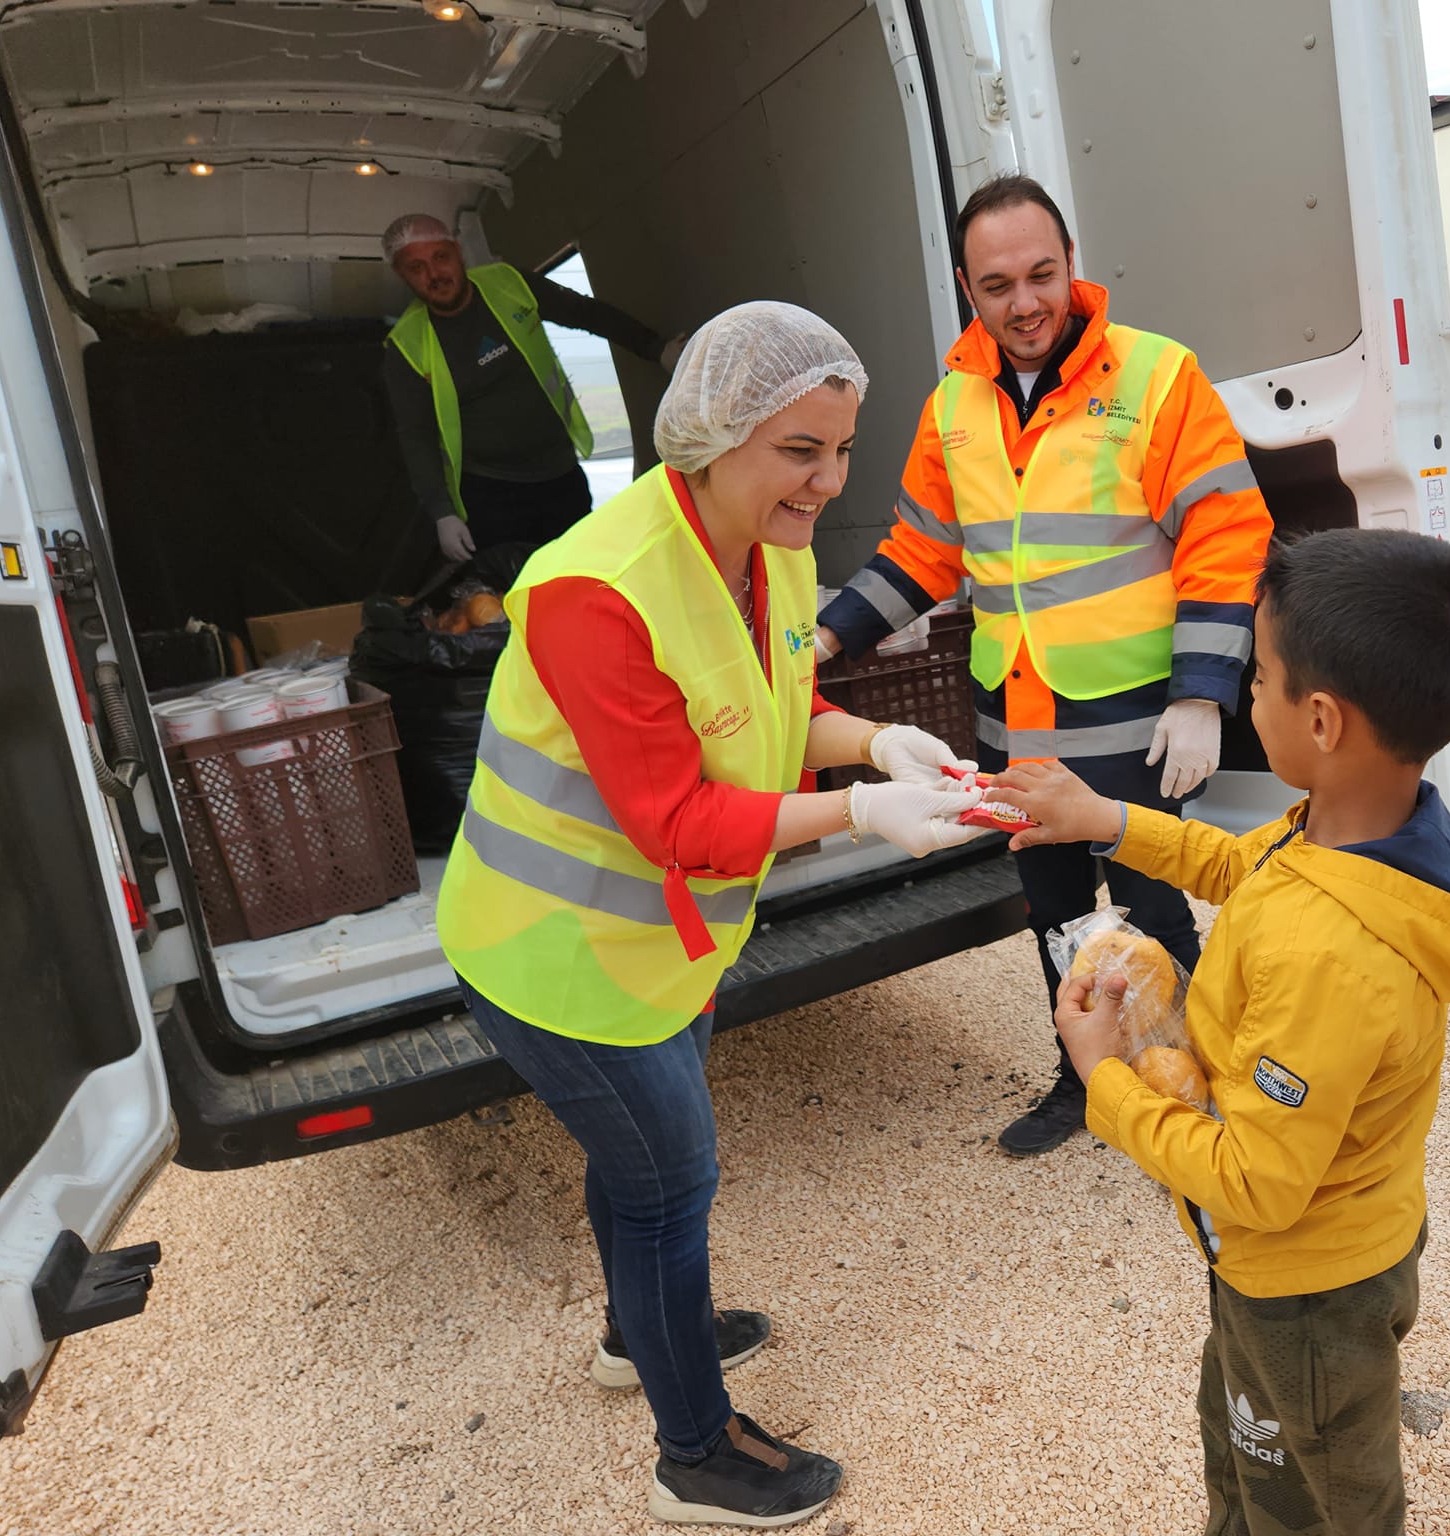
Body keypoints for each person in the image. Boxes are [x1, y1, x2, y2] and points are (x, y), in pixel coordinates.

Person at [434, 302, 985, 1528]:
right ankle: (695, 1451)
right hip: (552, 953)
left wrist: (874, 741)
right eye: (801, 451)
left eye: (841, 450)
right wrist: (855, 818)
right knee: (670, 1182)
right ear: (712, 434)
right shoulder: (595, 589)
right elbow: (675, 823)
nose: (827, 482)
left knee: (636, 1172)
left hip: (647, 944)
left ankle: (639, 1334)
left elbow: (773, 718)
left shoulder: (767, 547)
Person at [989, 529, 1450, 1535]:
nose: (1246, 697)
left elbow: (1256, 1181)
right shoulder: (1358, 830)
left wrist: (1099, 1078)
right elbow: (1235, 866)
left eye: (1259, 679)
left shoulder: (1328, 955)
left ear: (1321, 719)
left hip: (1304, 1290)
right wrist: (1103, 819)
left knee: (1322, 1493)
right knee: (1245, 1440)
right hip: (1311, 1258)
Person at [815, 174, 1274, 1157]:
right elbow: (922, 550)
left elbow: (1224, 533)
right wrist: (825, 634)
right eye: (997, 285)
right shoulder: (950, 406)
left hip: (1130, 713)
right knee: (1054, 906)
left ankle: (1187, 1090)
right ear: (966, 290)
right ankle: (1084, 1085)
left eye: (1041, 275)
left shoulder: (1154, 376)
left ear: (1072, 267)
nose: (1024, 303)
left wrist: (1201, 695)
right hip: (1013, 717)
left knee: (1149, 905)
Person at [380, 213, 685, 562]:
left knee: (582, 576)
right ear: (401, 275)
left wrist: (656, 349)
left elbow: (585, 313)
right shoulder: (405, 346)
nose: (434, 275)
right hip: (489, 494)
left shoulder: (509, 283)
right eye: (416, 267)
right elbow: (415, 435)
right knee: (515, 599)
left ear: (458, 251)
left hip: (560, 472)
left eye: (440, 257)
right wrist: (442, 513)